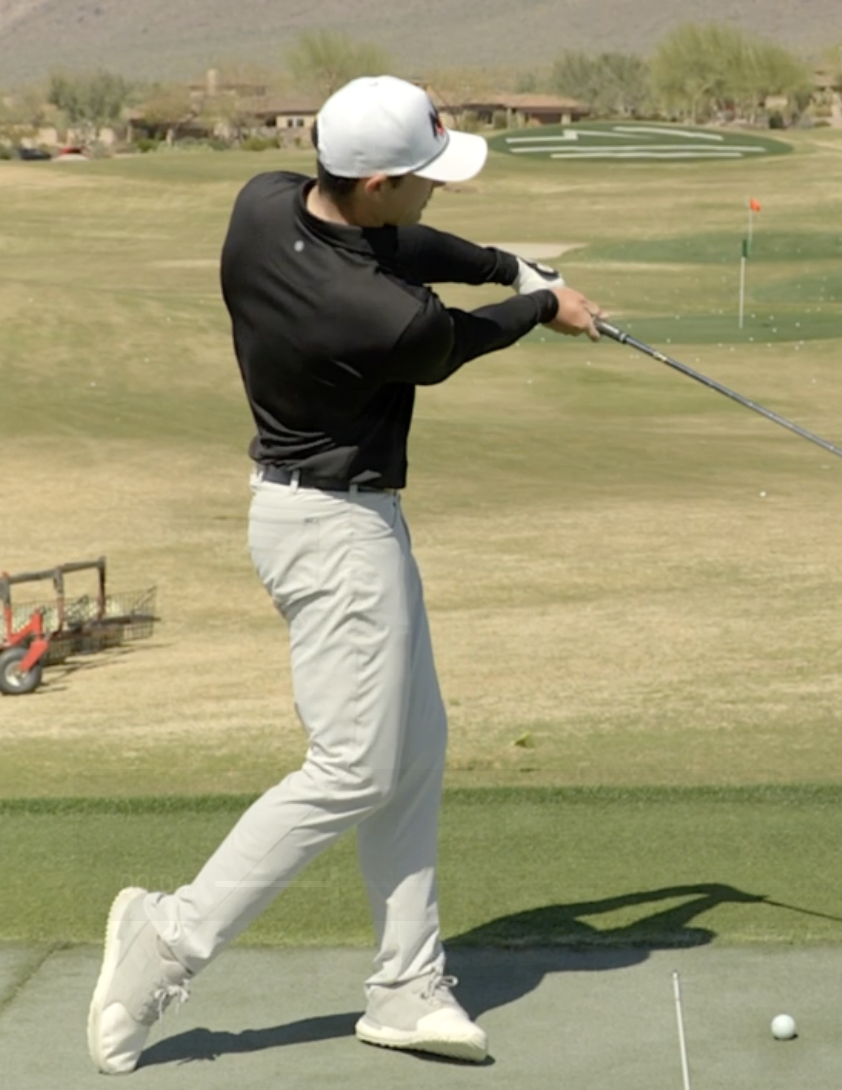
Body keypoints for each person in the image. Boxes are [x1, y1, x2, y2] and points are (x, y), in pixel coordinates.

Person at [86, 75, 603, 1075]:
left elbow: (403, 243)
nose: (435, 196)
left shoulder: (266, 201)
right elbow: (452, 339)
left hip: (328, 516)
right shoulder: (385, 319)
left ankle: (408, 984)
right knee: (354, 767)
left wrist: (505, 263)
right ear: (373, 181)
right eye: (422, 180)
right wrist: (541, 304)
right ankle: (170, 935)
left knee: (413, 751)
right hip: (333, 533)